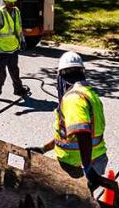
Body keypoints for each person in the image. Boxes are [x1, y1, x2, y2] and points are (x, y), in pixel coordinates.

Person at [28, 51, 108, 193]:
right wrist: (43, 149)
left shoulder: (72, 99)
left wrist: (87, 169)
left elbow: (82, 134)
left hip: (77, 166)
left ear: (61, 76)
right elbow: (69, 135)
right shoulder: (89, 93)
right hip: (96, 159)